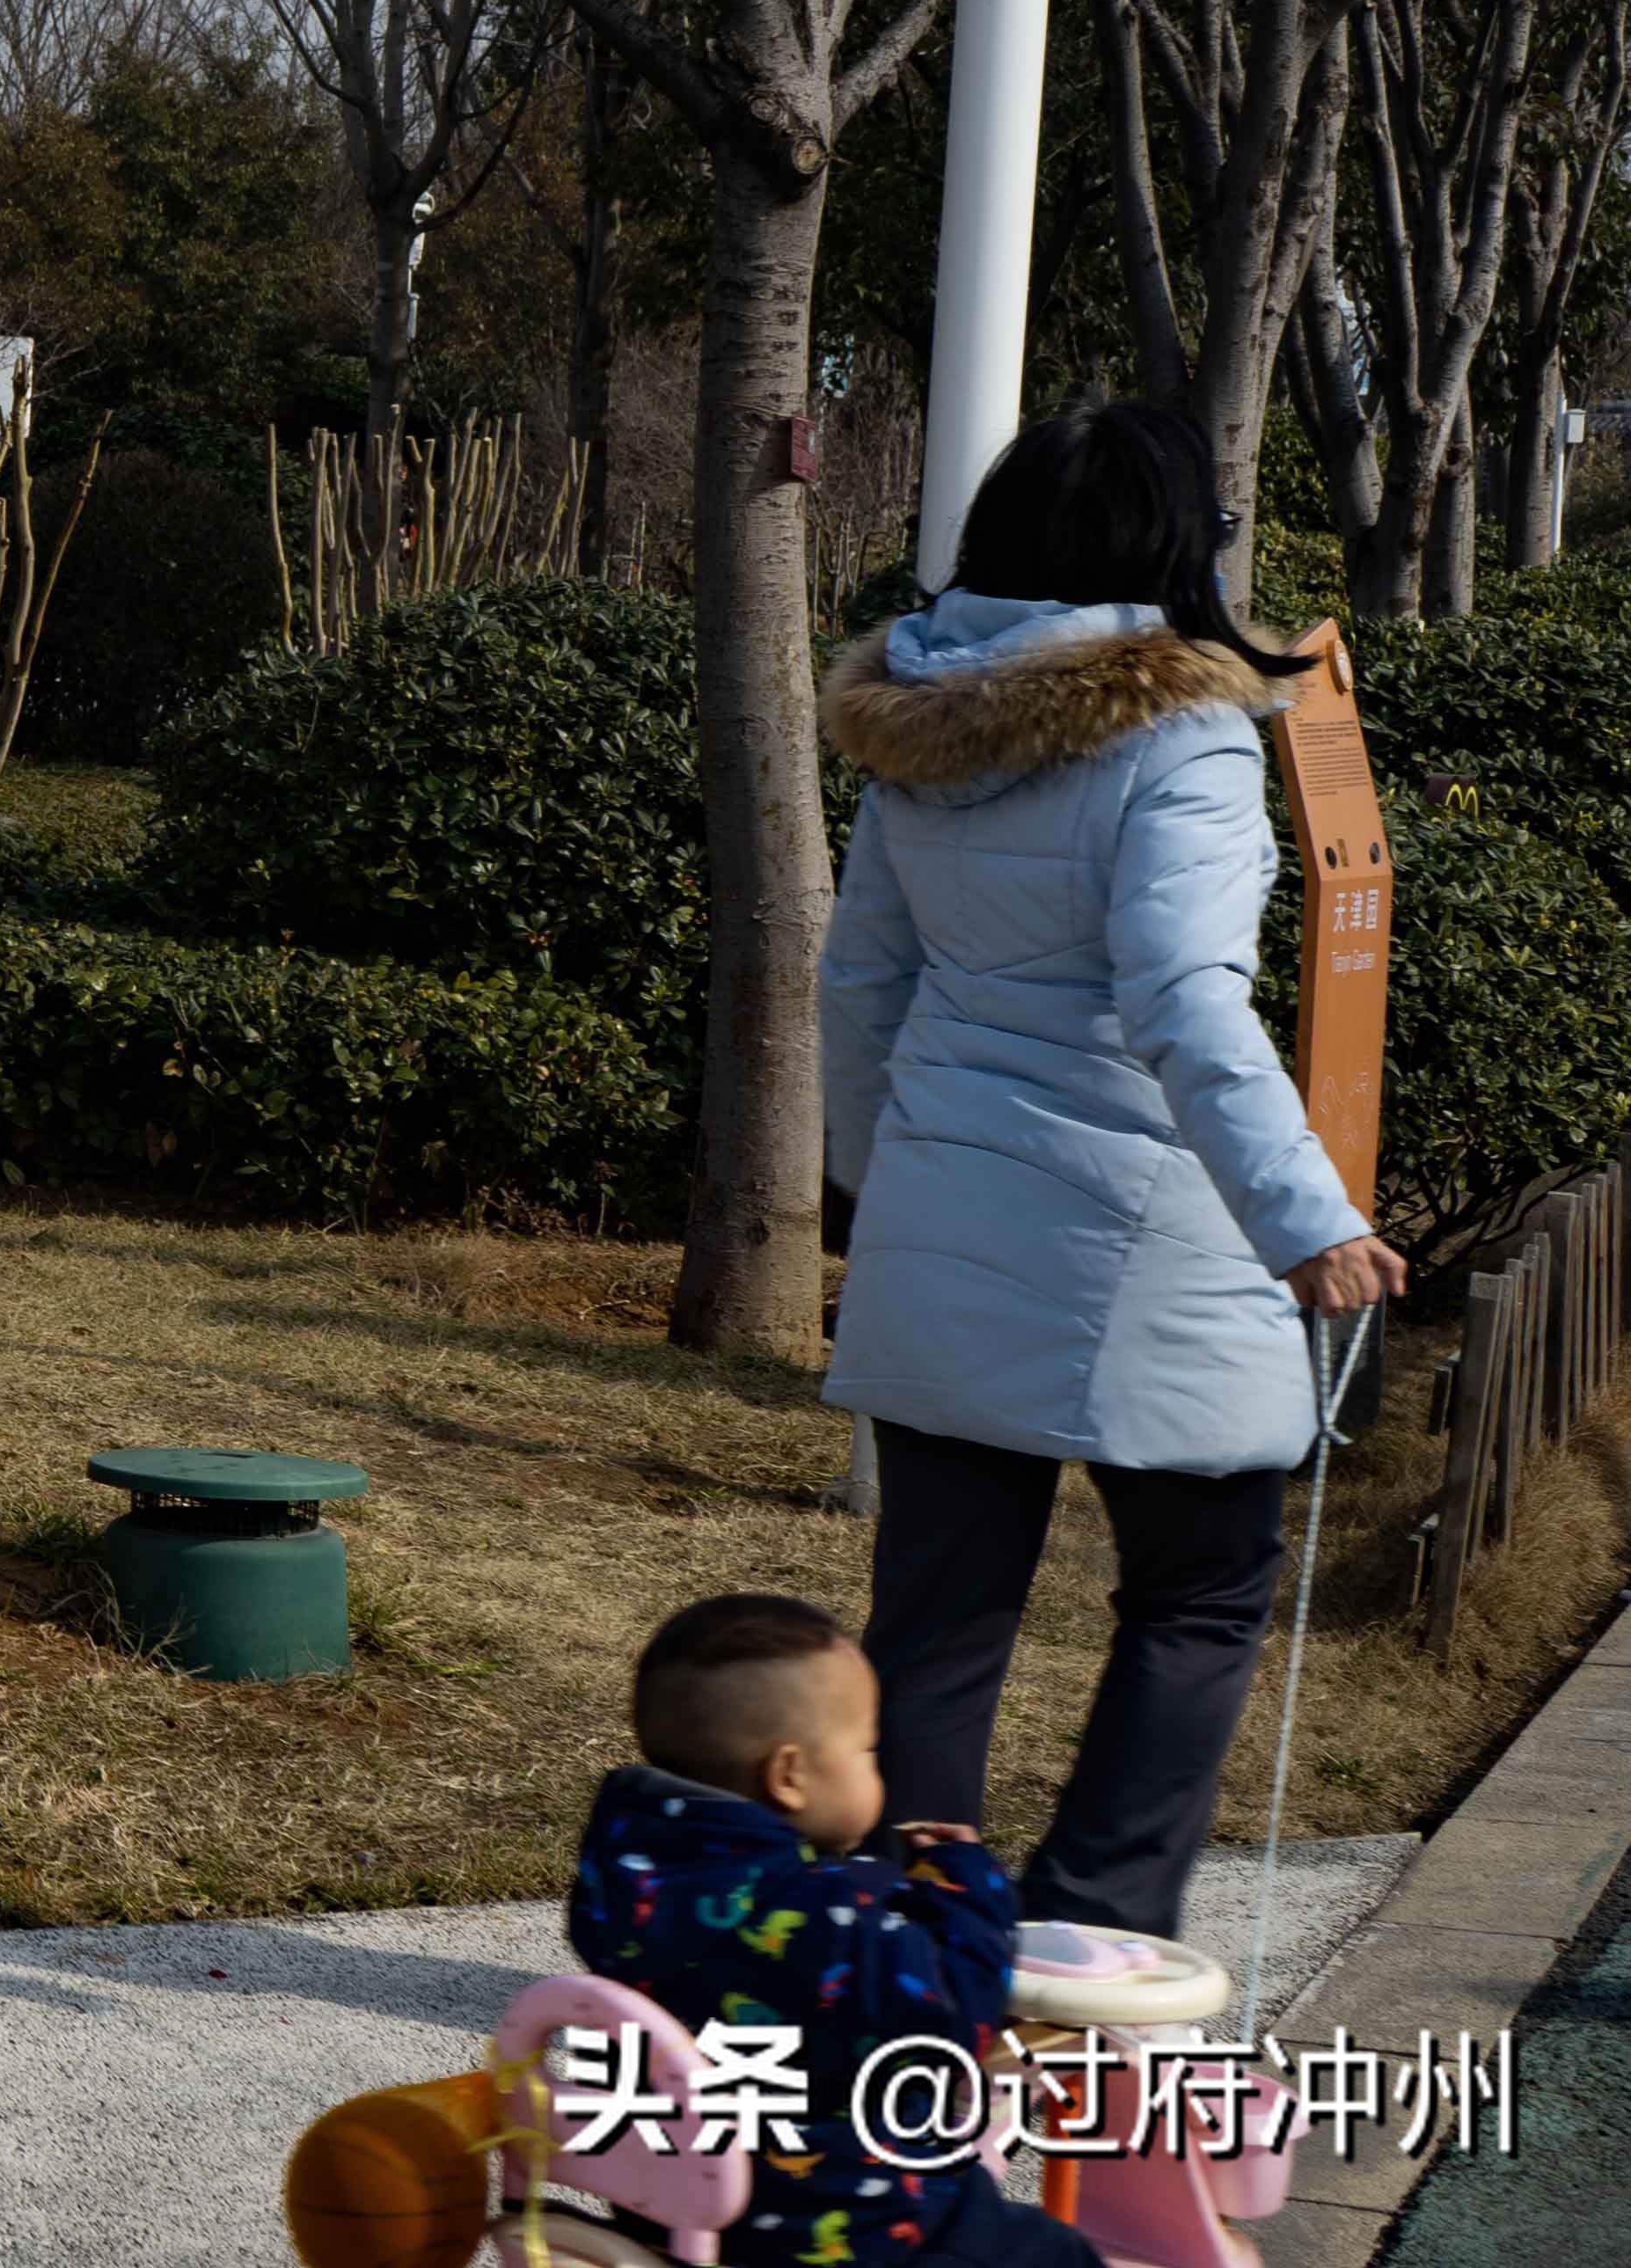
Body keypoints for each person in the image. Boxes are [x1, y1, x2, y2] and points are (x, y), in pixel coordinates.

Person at [819, 399, 1408, 1965]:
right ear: (1172, 547)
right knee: (1204, 1590)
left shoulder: (912, 725)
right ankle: (1094, 1931)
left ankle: (920, 1952)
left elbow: (858, 988)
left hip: (948, 1220)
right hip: (1150, 1246)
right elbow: (1187, 1002)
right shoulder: (1188, 732)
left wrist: (886, 1194)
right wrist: (1312, 1223)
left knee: (937, 1626)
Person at [571, 1593, 1094, 2264]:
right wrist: (968, 1886)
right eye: (868, 1749)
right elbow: (957, 2015)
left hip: (668, 2201)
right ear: (789, 1776)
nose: (878, 1768)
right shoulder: (824, 1917)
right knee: (1052, 2252)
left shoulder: (621, 1882)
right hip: (840, 2221)